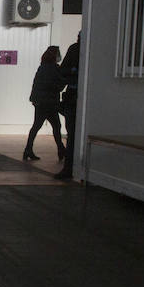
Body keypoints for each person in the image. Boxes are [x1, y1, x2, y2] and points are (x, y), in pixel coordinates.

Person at [24, 45, 65, 162]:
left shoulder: (42, 67)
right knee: (56, 127)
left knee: (36, 126)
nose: (59, 56)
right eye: (58, 54)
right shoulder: (54, 68)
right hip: (49, 103)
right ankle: (61, 150)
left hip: (40, 102)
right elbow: (57, 85)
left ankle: (28, 149)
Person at [54, 31, 80, 180]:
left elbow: (63, 73)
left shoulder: (74, 49)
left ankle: (69, 167)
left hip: (71, 98)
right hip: (76, 98)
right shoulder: (95, 49)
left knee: (70, 134)